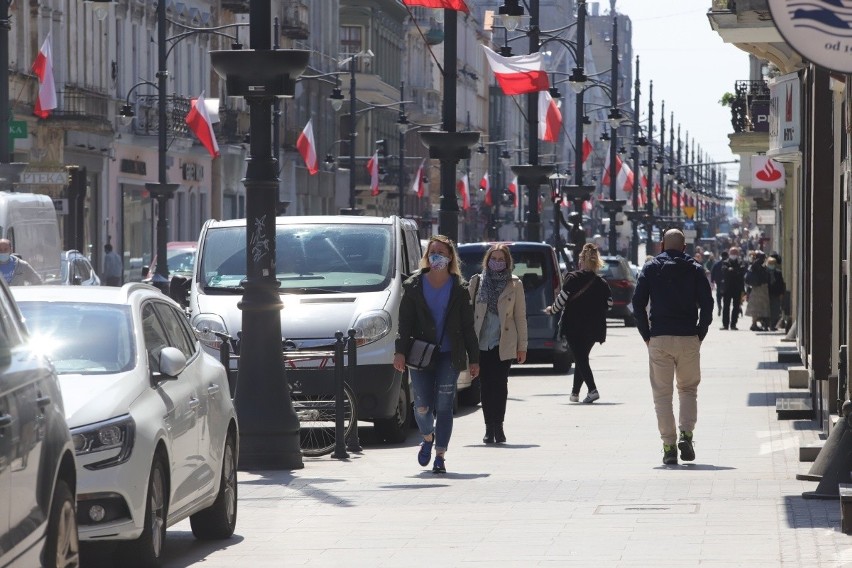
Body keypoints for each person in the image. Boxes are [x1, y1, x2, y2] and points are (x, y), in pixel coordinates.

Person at [394, 235, 480, 474]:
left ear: (450, 256)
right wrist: (399, 352)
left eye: (441, 253)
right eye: (433, 252)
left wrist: (474, 359)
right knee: (421, 406)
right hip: (420, 354)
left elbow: (467, 327)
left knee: (444, 406)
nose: (436, 257)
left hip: (448, 355)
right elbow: (405, 323)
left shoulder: (459, 288)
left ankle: (440, 454)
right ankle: (427, 437)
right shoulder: (413, 285)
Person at [631, 229, 714, 465]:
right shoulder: (695, 269)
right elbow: (708, 303)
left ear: (661, 245)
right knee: (688, 390)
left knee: (662, 396)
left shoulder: (651, 268)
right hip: (688, 336)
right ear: (685, 248)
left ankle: (668, 446)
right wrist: (701, 332)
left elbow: (637, 303)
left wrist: (646, 334)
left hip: (660, 337)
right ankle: (686, 434)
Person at [467, 244, 527, 444]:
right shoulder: (477, 282)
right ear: (487, 260)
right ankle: (488, 428)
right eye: (494, 258)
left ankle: (498, 426)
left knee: (500, 385)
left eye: (502, 259)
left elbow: (520, 317)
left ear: (507, 262)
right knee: (485, 386)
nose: (497, 262)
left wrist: (522, 347)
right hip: (481, 342)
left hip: (504, 343)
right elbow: (468, 315)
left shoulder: (515, 284)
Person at [545, 243, 612, 404]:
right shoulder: (601, 282)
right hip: (594, 327)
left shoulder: (572, 278)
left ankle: (593, 390)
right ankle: (575, 393)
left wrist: (551, 310)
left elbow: (561, 301)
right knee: (582, 357)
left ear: (581, 260)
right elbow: (609, 304)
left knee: (580, 358)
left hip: (574, 326)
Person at [720, 247, 746, 330]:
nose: (733, 255)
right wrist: (734, 272)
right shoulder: (725, 262)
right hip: (727, 288)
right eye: (732, 253)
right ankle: (725, 325)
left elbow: (742, 271)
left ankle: (733, 324)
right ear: (729, 254)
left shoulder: (741, 262)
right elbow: (724, 271)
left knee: (736, 307)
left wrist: (732, 271)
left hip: (737, 288)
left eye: (735, 253)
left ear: (737, 254)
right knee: (726, 307)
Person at [745, 251, 770, 331]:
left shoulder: (753, 265)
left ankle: (754, 323)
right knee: (762, 307)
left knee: (755, 307)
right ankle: (758, 324)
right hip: (761, 287)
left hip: (755, 288)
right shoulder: (761, 264)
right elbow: (764, 275)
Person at [766, 256, 786, 331]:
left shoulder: (778, 273)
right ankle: (766, 324)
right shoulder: (764, 272)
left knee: (776, 310)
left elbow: (781, 283)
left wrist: (781, 293)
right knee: (767, 310)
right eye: (770, 263)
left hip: (776, 293)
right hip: (766, 293)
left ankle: (773, 325)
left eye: (773, 263)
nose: (772, 265)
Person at [710, 250, 728, 317]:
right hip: (726, 284)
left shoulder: (717, 264)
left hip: (719, 283)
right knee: (725, 298)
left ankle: (719, 306)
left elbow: (712, 272)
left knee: (718, 297)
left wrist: (712, 280)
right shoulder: (729, 264)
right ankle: (723, 309)